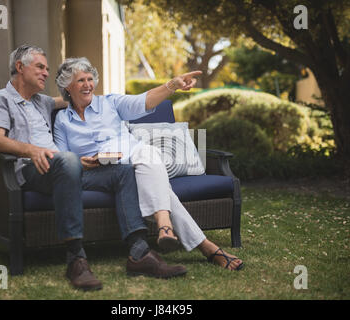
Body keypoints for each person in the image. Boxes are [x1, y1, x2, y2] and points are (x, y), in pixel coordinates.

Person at [0, 44, 188, 291]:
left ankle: (139, 252)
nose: (46, 73)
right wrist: (33, 150)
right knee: (67, 159)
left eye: (47, 69)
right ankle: (76, 259)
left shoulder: (41, 102)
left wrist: (87, 89)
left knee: (122, 171)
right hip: (30, 170)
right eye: (40, 67)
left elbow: (73, 93)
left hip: (64, 170)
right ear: (19, 67)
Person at [54, 57, 244, 271]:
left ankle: (174, 231)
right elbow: (62, 157)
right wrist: (81, 162)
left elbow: (143, 101)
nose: (88, 84)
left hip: (130, 160)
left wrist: (172, 85)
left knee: (147, 154)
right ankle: (183, 235)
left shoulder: (110, 103)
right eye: (80, 80)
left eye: (90, 79)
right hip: (99, 172)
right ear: (68, 86)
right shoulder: (62, 120)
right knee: (151, 161)